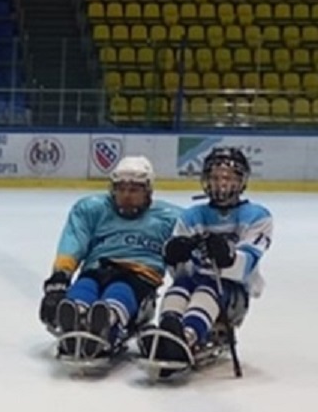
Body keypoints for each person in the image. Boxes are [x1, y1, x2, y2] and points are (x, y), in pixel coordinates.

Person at [39, 155, 180, 359]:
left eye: (133, 190)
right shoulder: (92, 209)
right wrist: (60, 276)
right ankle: (75, 317)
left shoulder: (170, 218)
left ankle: (108, 323)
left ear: (148, 191)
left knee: (119, 291)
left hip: (137, 276)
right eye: (121, 189)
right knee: (84, 287)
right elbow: (74, 241)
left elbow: (189, 245)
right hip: (97, 269)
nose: (126, 195)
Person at [142, 147, 272, 366]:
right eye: (214, 177)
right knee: (179, 287)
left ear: (242, 181)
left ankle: (188, 336)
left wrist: (227, 255)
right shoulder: (191, 216)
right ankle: (169, 331)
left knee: (207, 289)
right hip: (195, 282)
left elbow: (246, 265)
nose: (221, 184)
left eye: (228, 178)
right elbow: (179, 273)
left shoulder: (258, 216)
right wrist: (176, 255)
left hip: (232, 293)